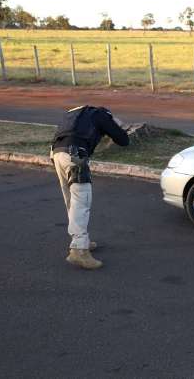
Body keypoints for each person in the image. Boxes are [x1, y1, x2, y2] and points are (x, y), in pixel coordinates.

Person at [51, 105, 130, 270]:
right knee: (81, 201)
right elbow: (123, 141)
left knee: (72, 202)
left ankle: (80, 240)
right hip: (75, 155)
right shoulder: (102, 115)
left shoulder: (76, 113)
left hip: (57, 153)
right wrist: (118, 125)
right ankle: (79, 250)